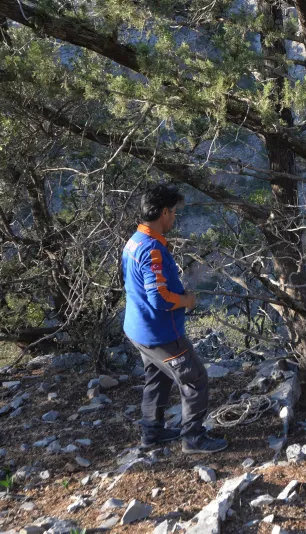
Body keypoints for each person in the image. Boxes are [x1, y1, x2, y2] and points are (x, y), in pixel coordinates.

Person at [122, 184, 228, 454]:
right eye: (174, 212)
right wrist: (187, 301)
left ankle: (152, 433)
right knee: (195, 379)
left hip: (138, 328)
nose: (175, 218)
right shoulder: (152, 249)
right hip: (161, 333)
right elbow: (159, 298)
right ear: (164, 213)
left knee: (157, 377)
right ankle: (193, 438)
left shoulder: (134, 240)